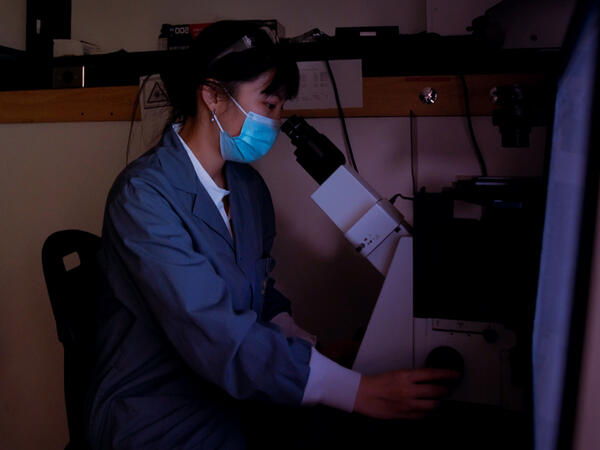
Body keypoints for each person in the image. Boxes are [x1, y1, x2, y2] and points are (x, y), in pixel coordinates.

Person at [86, 20, 458, 449]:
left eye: (281, 108)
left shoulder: (247, 189)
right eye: (269, 103)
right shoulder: (143, 198)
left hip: (230, 394)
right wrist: (360, 392)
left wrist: (310, 347)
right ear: (212, 95)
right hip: (159, 415)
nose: (276, 122)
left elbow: (260, 291)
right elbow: (216, 333)